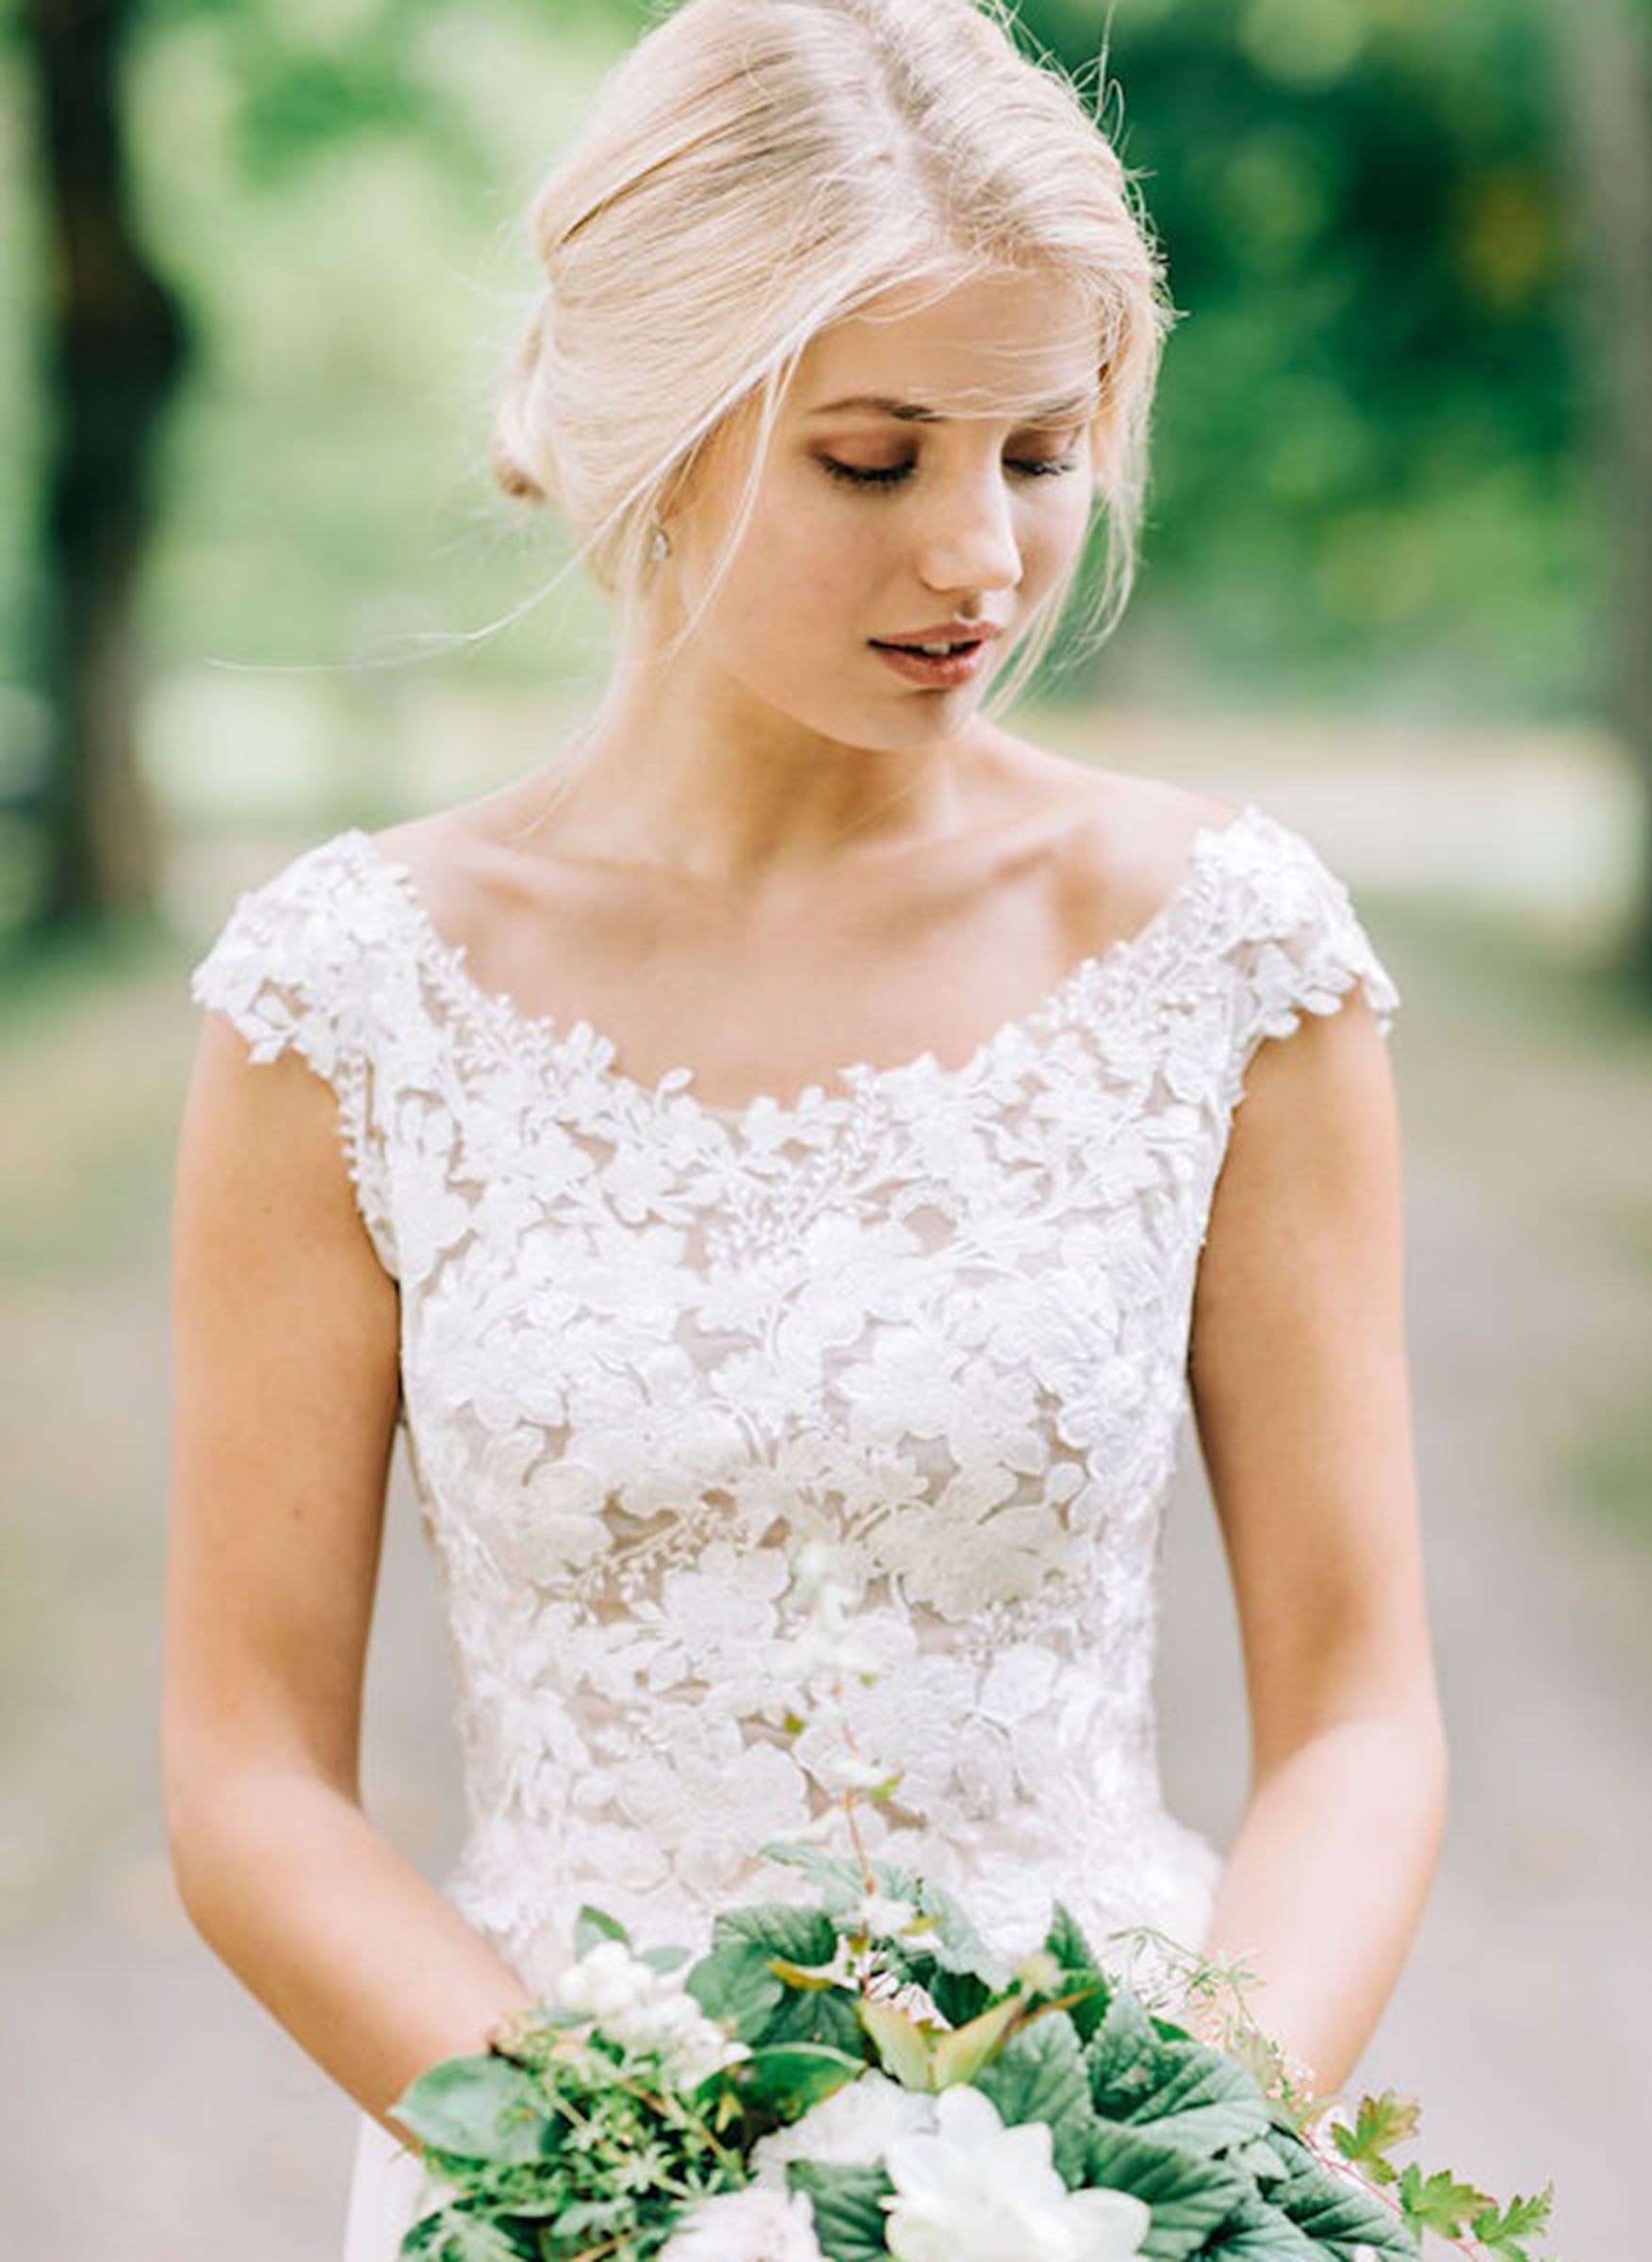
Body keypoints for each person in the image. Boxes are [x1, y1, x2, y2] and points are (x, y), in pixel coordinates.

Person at [163, 0, 1448, 2251]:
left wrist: (1169, 2175)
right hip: (552, 2175)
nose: (979, 559)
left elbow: (1358, 1713)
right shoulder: (343, 1004)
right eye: (876, 460)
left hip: (1102, 2172)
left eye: (1043, 454)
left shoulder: (1230, 955)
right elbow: (248, 1776)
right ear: (651, 427)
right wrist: (637, 2194)